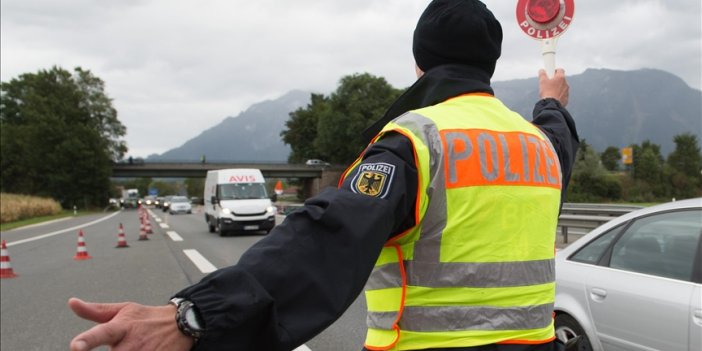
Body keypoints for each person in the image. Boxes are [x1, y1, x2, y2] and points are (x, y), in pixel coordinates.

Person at [68, 1, 579, 350]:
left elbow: (326, 237)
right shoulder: (539, 149)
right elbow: (560, 140)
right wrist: (549, 104)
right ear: (490, 63)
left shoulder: (418, 140)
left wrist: (194, 317)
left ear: (420, 64)